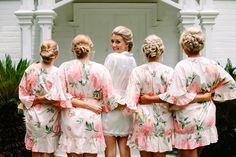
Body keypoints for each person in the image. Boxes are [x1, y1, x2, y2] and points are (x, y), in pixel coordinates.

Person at [155, 27, 236, 157]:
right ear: (201, 46)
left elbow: (177, 96)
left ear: (184, 46)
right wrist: (211, 95)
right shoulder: (211, 64)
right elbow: (231, 83)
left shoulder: (182, 66)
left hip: (187, 115)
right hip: (207, 114)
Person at [46, 34, 119, 157]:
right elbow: (109, 99)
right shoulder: (101, 70)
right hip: (93, 116)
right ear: (90, 48)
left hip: (71, 117)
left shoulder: (64, 67)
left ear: (73, 49)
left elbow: (59, 96)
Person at [123, 34, 174, 157]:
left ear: (144, 52)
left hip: (143, 118)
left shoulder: (137, 71)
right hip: (163, 118)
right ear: (161, 51)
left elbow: (130, 100)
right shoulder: (169, 71)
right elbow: (174, 97)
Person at [19, 39, 60, 157]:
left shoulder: (30, 69)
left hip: (33, 115)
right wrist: (44, 99)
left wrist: (35, 100)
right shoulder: (58, 73)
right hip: (51, 117)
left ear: (40, 52)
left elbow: (22, 94)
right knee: (48, 151)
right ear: (56, 54)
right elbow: (58, 98)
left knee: (35, 151)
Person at [102, 25, 137, 157]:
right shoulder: (132, 60)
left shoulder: (112, 57)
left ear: (127, 43)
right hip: (125, 109)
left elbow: (105, 82)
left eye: (118, 41)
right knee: (125, 149)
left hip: (112, 106)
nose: (114, 45)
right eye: (112, 41)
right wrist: (125, 102)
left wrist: (114, 102)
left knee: (110, 149)